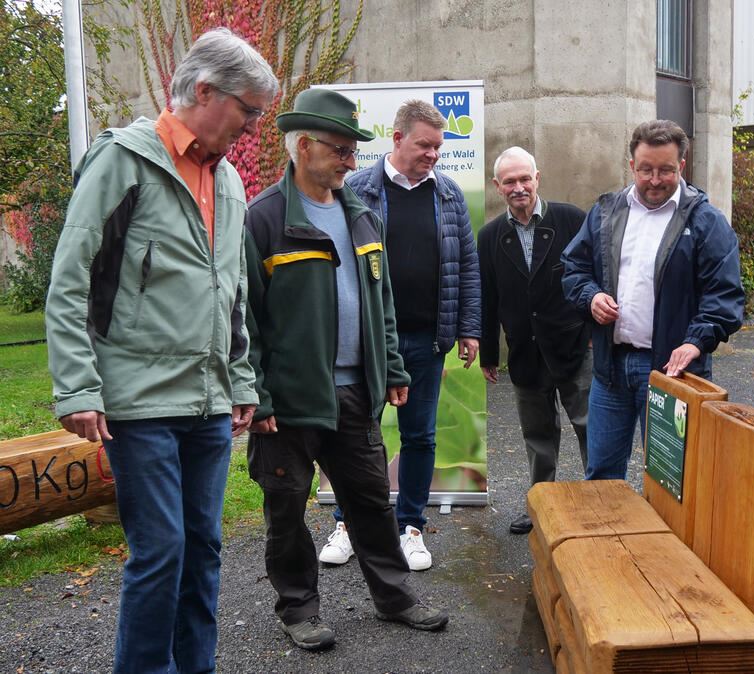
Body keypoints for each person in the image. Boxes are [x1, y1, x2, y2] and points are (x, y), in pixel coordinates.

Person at [44, 28, 276, 673]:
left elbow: (230, 293)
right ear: (204, 90)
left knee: (203, 545)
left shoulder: (228, 179)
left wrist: (241, 380)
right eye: (248, 110)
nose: (254, 127)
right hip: (136, 402)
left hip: (207, 403)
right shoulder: (122, 160)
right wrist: (78, 387)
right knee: (162, 549)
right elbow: (72, 279)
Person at [243, 88, 449, 650]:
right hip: (288, 403)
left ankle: (394, 597)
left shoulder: (360, 216)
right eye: (339, 149)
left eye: (353, 151)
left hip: (356, 392)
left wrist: (395, 369)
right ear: (303, 146)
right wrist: (255, 396)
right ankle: (298, 609)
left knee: (369, 503)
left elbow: (381, 306)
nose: (350, 161)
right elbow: (245, 320)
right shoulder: (263, 220)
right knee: (286, 511)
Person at [324, 99, 479, 571]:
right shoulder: (356, 189)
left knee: (419, 436)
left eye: (439, 147)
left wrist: (469, 329)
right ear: (396, 139)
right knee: (357, 434)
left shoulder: (449, 196)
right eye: (425, 145)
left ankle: (411, 526)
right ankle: (348, 522)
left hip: (428, 340)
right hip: (365, 343)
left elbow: (467, 267)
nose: (434, 154)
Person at [561, 119, 744, 480]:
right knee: (600, 474)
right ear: (631, 165)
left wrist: (696, 341)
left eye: (666, 170)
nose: (655, 180)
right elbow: (573, 268)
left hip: (672, 374)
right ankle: (607, 538)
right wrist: (591, 296)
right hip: (610, 370)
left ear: (682, 166)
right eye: (645, 170)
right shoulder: (606, 212)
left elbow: (724, 294)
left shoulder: (707, 222)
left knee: (671, 480)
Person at [478, 146, 590, 535]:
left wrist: (594, 334)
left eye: (525, 178)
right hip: (525, 350)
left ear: (538, 178)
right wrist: (488, 353)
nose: (519, 187)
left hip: (573, 344)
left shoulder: (572, 220)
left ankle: (601, 499)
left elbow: (595, 278)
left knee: (588, 425)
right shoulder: (491, 236)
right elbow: (487, 299)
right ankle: (542, 503)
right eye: (510, 181)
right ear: (498, 186)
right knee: (538, 435)